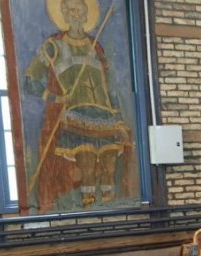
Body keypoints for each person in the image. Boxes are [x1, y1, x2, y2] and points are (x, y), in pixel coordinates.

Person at [23, 0, 134, 212]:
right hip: (76, 114)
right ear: (64, 15)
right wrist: (54, 97)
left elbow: (109, 87)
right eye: (71, 11)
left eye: (80, 11)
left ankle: (111, 213)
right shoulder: (53, 46)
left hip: (105, 116)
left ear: (86, 15)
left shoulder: (95, 46)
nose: (76, 16)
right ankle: (88, 211)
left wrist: (118, 118)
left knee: (110, 168)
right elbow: (29, 82)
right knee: (87, 167)